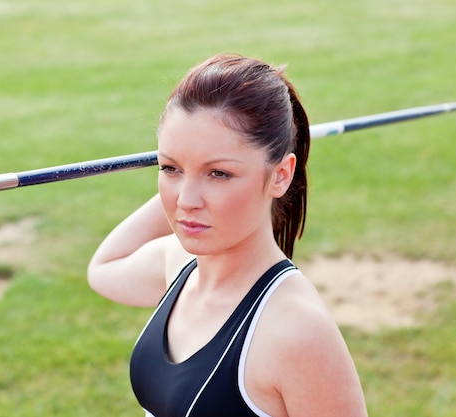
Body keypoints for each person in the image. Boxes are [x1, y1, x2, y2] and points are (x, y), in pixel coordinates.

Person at [87, 53, 367, 417]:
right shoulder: (179, 264)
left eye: (218, 174)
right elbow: (104, 269)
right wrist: (192, 164)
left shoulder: (296, 330)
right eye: (168, 168)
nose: (186, 201)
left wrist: (187, 165)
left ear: (281, 175)